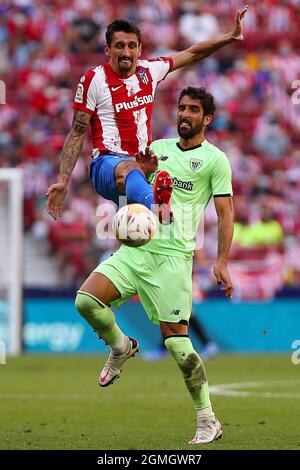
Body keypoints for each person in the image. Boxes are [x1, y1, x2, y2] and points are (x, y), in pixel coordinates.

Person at [75, 86, 234, 444]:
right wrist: (139, 175)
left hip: (173, 259)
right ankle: (120, 346)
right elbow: (128, 185)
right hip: (136, 250)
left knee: (178, 346)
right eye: (182, 108)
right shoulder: (158, 149)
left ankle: (207, 419)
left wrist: (222, 260)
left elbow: (225, 213)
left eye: (194, 110)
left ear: (207, 118)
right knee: (86, 300)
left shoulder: (215, 160)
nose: (185, 114)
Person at [46, 8, 248, 224]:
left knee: (138, 222)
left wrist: (229, 37)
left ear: (140, 49)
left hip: (142, 167)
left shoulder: (149, 71)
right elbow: (77, 132)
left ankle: (160, 235)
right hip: (106, 165)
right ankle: (157, 205)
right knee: (132, 172)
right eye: (119, 46)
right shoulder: (94, 79)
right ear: (107, 49)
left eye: (132, 46)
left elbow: (193, 53)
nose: (126, 52)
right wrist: (63, 180)